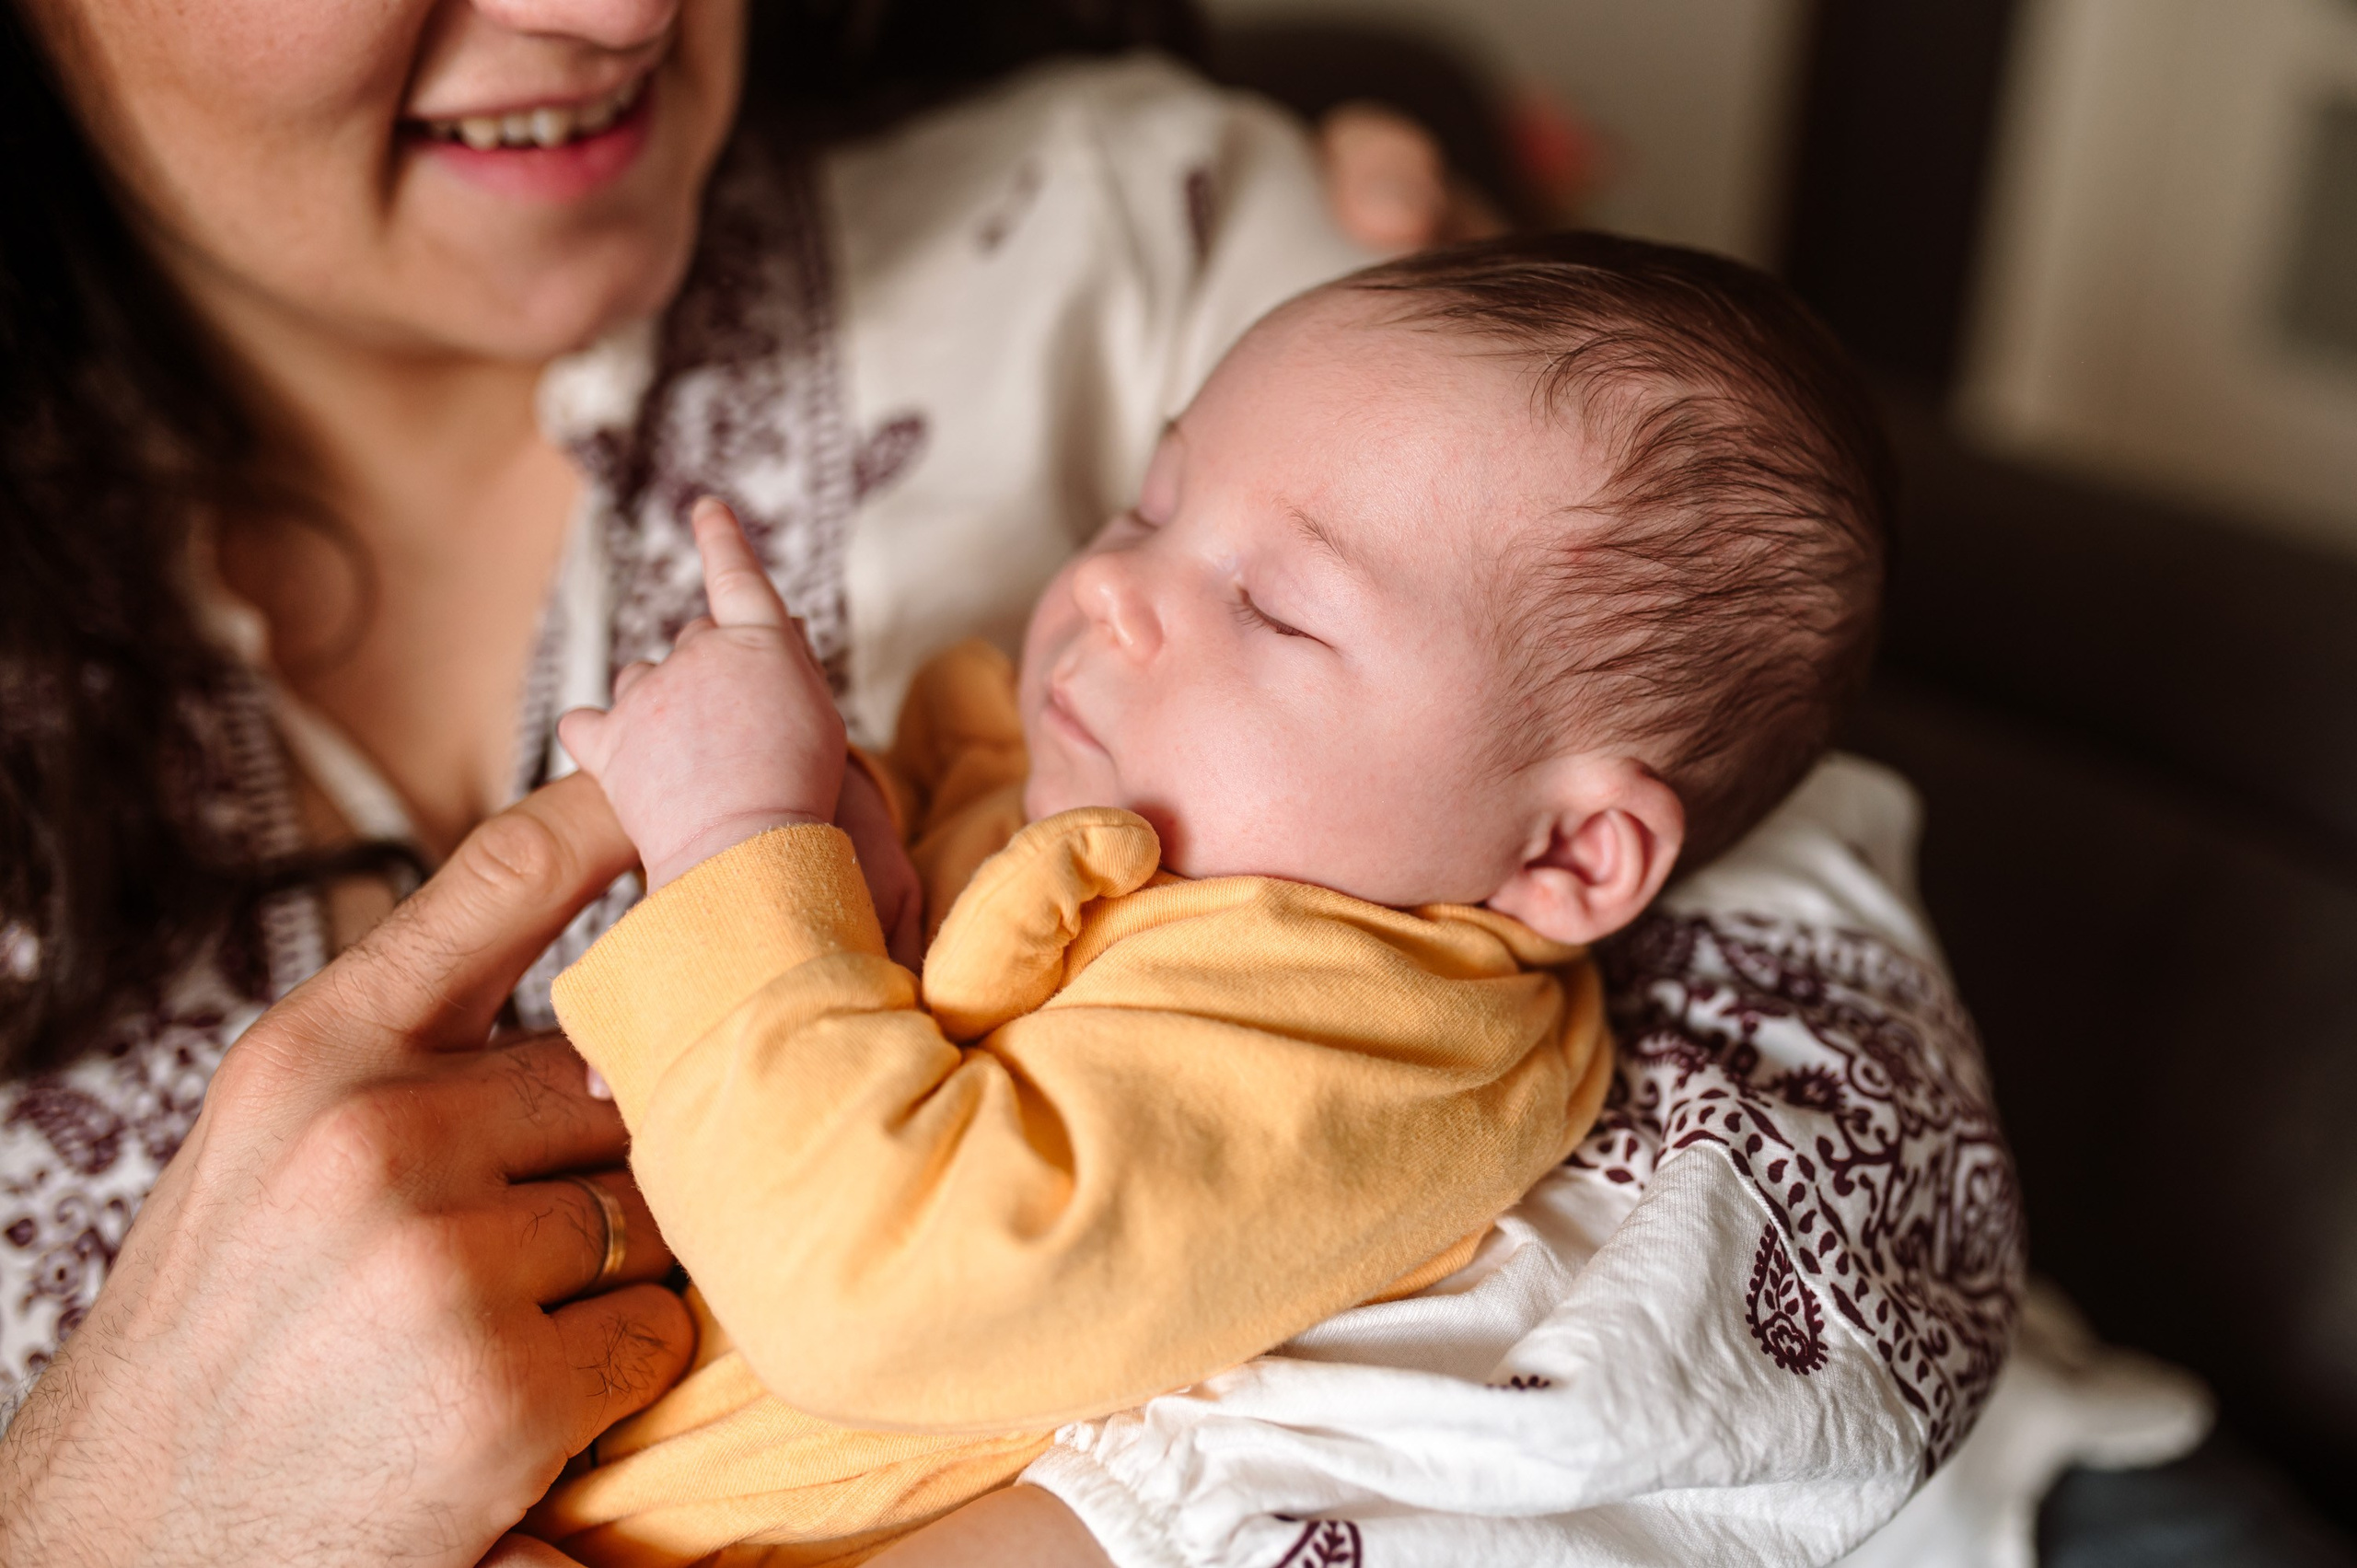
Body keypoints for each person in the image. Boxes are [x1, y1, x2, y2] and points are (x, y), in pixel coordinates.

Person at [0, 1, 2021, 1563]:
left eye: (1274, 607)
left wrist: (754, 863)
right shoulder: (1123, 762)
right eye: (1136, 501)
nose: (614, 8)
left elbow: (1832, 1158)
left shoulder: (1167, 243)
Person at [526, 229, 1889, 1564]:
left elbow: (870, 1296)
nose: (1115, 582)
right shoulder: (1064, 775)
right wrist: (842, 829)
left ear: (1573, 856)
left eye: (1279, 608)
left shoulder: (1360, 1041)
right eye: (1154, 503)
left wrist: (734, 837)